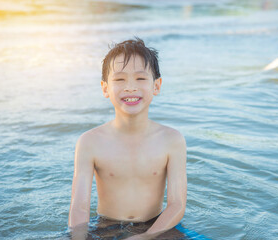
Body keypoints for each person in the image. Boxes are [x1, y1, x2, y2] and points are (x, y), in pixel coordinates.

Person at [68, 37, 188, 239]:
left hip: (157, 226)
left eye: (140, 79)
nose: (130, 87)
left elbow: (177, 205)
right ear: (105, 88)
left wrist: (146, 237)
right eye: (119, 79)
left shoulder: (172, 140)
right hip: (107, 228)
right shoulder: (89, 142)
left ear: (156, 86)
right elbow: (79, 207)